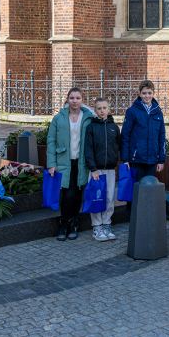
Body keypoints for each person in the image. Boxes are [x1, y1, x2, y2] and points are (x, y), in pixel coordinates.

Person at [46, 88, 94, 241]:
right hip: (64, 162)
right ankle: (64, 224)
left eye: (78, 98)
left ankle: (74, 223)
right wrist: (51, 163)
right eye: (72, 98)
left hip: (81, 163)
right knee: (68, 195)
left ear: (82, 100)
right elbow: (51, 141)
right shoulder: (59, 118)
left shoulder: (88, 118)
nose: (74, 101)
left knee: (78, 193)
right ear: (67, 99)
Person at [120, 80, 167, 211]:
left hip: (152, 159)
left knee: (149, 188)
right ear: (139, 94)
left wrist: (161, 159)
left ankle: (147, 216)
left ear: (153, 93)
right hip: (136, 159)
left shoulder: (158, 112)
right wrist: (125, 159)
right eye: (144, 93)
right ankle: (133, 216)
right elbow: (125, 136)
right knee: (135, 189)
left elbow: (161, 137)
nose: (147, 96)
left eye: (149, 93)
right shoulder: (132, 111)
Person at [82, 98, 121, 242]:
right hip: (96, 170)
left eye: (105, 108)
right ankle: (97, 226)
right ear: (95, 110)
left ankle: (106, 224)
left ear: (109, 109)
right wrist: (93, 169)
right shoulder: (91, 128)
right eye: (99, 108)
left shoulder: (114, 127)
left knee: (109, 197)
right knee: (97, 197)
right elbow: (88, 150)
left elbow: (118, 146)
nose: (102, 110)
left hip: (110, 169)